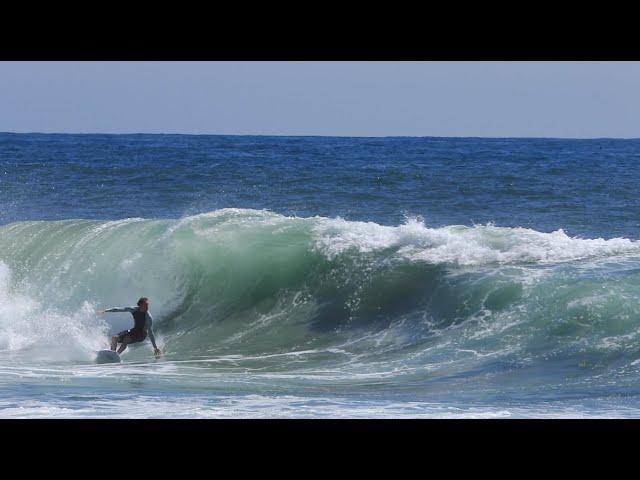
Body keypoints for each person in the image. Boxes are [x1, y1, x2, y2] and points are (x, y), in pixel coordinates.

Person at [97, 297, 161, 357]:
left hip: (141, 335)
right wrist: (106, 310)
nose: (147, 307)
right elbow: (120, 309)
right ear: (140, 305)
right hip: (134, 330)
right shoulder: (133, 310)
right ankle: (112, 354)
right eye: (145, 305)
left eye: (147, 305)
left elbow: (150, 332)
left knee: (126, 339)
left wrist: (155, 348)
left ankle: (117, 355)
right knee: (114, 338)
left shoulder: (148, 317)